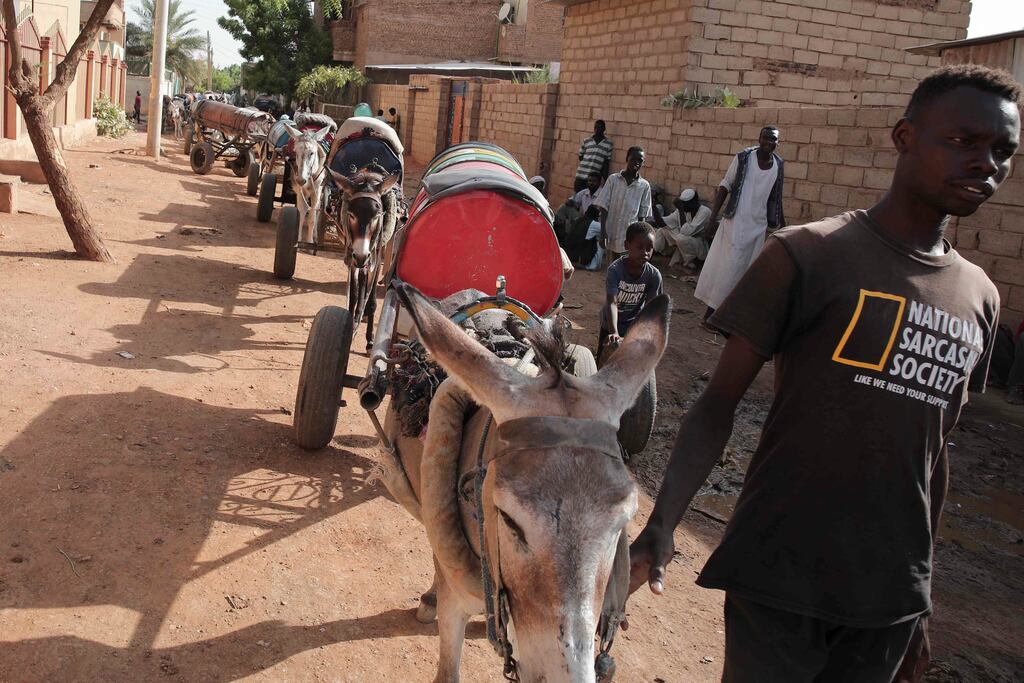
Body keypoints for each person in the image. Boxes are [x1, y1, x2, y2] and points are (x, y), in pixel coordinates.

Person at [629, 65, 1019, 682]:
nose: (986, 164)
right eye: (963, 141)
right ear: (904, 138)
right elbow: (717, 404)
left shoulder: (980, 298)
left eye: (1003, 152)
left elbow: (934, 450)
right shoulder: (807, 255)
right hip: (782, 568)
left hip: (888, 596)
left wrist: (921, 601)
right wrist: (662, 523)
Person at [694, 126, 785, 328]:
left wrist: (781, 227)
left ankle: (728, 318)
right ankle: (710, 316)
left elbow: (776, 198)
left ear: (778, 143)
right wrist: (712, 219)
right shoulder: (744, 158)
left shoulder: (778, 164)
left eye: (774, 140)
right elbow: (725, 186)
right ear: (759, 138)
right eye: (766, 138)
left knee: (746, 272)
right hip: (736, 222)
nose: (770, 142)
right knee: (729, 269)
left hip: (758, 226)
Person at [598, 221, 662, 362]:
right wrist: (613, 331)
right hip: (610, 323)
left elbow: (650, 309)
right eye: (639, 247)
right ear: (627, 246)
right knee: (604, 361)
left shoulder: (653, 275)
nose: (645, 252)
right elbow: (612, 303)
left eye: (649, 248)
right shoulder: (615, 270)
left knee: (629, 363)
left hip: (633, 325)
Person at [593, 146, 652, 263]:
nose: (636, 163)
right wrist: (603, 232)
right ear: (627, 158)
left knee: (626, 270)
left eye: (640, 160)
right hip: (611, 232)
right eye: (633, 159)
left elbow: (642, 216)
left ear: (643, 163)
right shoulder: (613, 180)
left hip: (630, 237)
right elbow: (604, 207)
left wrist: (641, 240)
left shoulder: (644, 186)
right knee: (612, 268)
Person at [651, 188, 712, 273]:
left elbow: (686, 232)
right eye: (682, 205)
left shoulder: (704, 212)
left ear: (693, 203)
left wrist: (681, 209)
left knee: (681, 238)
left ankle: (694, 263)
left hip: (700, 245)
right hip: (685, 240)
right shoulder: (684, 211)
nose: (683, 207)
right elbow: (662, 223)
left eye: (685, 205)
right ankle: (652, 252)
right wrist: (653, 205)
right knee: (663, 230)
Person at [574, 119, 613, 192]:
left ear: (604, 129)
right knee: (578, 199)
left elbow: (606, 163)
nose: (597, 130)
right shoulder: (586, 141)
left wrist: (605, 179)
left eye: (599, 128)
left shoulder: (608, 144)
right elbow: (581, 156)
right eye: (595, 128)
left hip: (594, 180)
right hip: (581, 176)